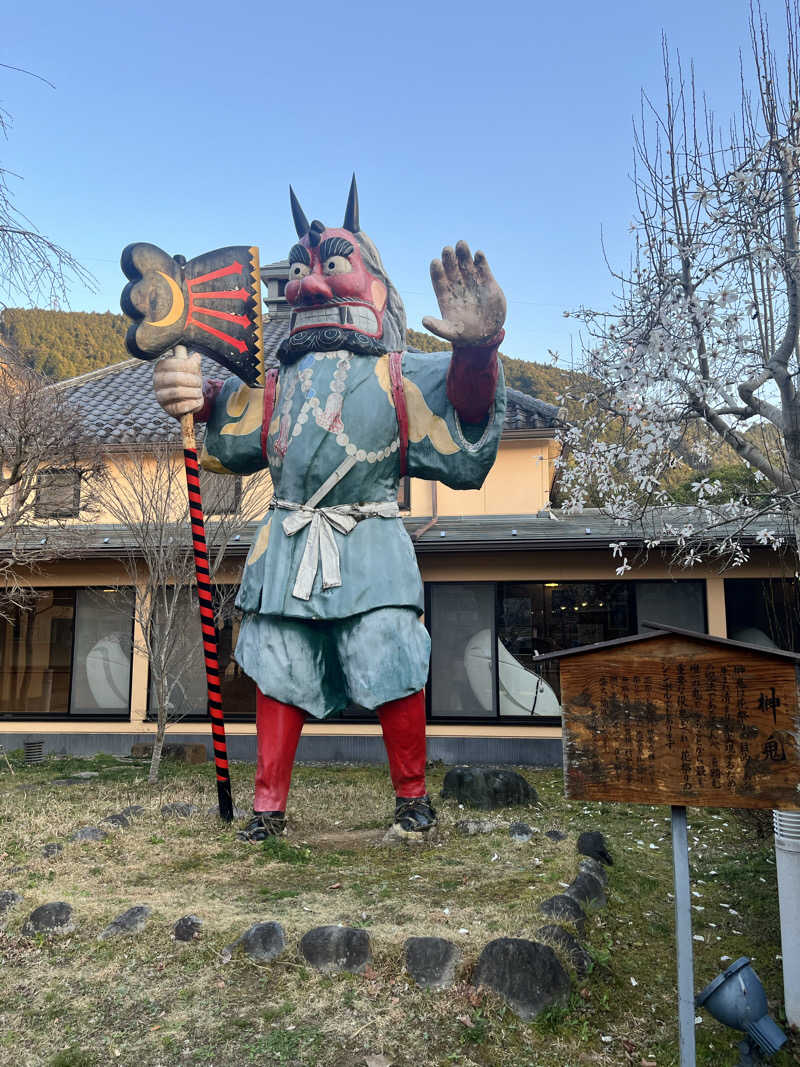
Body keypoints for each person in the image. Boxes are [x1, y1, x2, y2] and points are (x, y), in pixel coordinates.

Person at [153, 179, 507, 840]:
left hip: (369, 534)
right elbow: (230, 425)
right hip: (288, 535)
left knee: (389, 651)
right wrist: (195, 397)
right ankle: (268, 804)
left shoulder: (400, 373)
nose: (311, 284)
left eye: (335, 264)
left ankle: (411, 797)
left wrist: (477, 351)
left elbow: (465, 409)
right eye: (303, 269)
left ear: (376, 283)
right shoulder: (275, 382)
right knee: (278, 658)